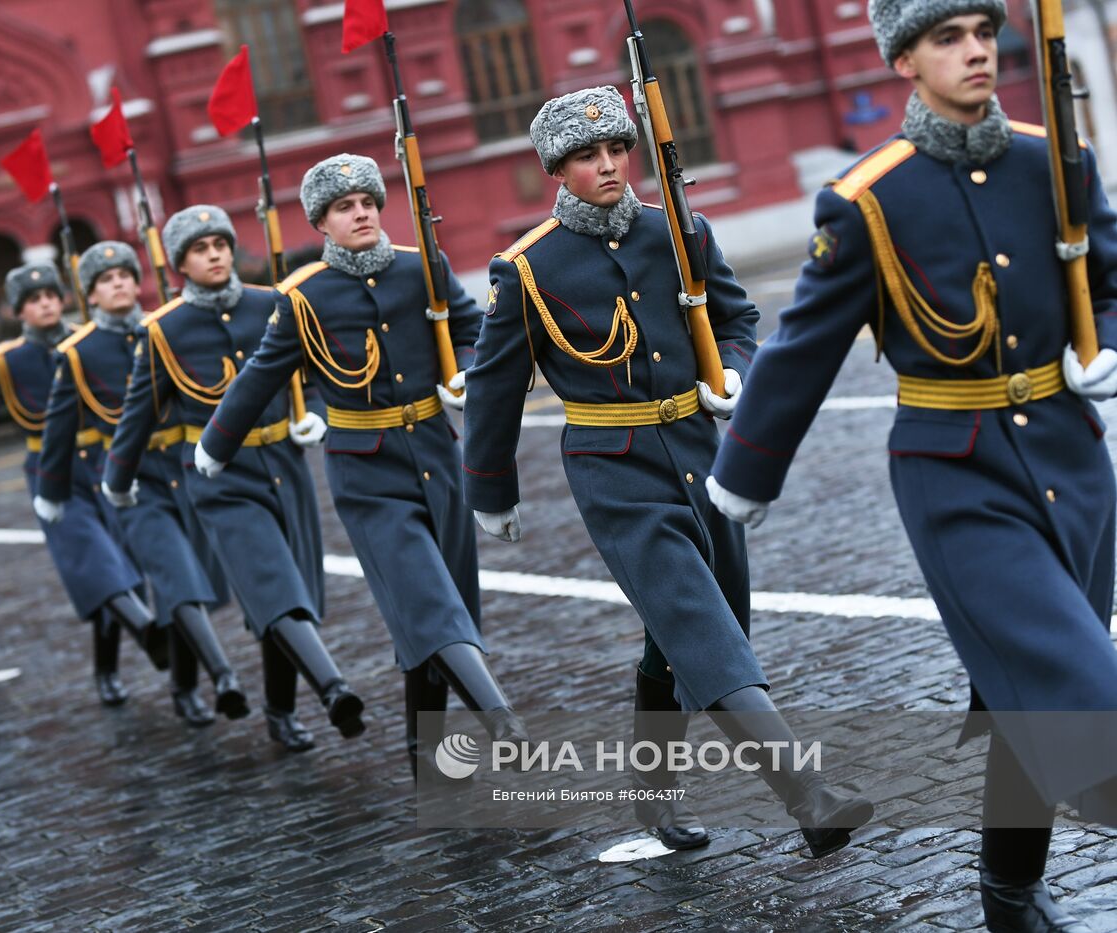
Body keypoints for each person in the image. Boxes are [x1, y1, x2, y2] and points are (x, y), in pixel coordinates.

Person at [708, 1, 1117, 927]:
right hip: (958, 477)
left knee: (1029, 692)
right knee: (1082, 687)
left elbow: (1110, 275)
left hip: (1073, 466)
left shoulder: (1051, 157)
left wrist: (1108, 342)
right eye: (947, 38)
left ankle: (1009, 889)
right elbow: (805, 343)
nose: (975, 52)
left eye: (982, 31)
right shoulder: (867, 197)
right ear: (903, 61)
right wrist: (747, 469)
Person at [463, 86, 873, 857]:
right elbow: (493, 383)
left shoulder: (679, 231)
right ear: (558, 168)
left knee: (688, 631)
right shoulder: (527, 268)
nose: (609, 165)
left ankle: (651, 797)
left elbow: (737, 318)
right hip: (613, 471)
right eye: (587, 156)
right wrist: (490, 488)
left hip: (697, 449)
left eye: (617, 149)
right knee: (708, 633)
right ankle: (808, 797)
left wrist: (738, 374)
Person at [195, 154, 523, 779]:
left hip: (435, 454)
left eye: (369, 202)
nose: (362, 213)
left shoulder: (421, 267)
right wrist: (216, 442)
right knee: (425, 595)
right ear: (322, 222)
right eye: (346, 207)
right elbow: (263, 374)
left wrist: (467, 372)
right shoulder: (303, 296)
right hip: (365, 472)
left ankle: (421, 744)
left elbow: (476, 326)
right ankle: (498, 715)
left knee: (441, 601)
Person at [103, 205, 365, 752]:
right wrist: (118, 478)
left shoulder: (272, 303)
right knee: (274, 583)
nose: (215, 254)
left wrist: (313, 408)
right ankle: (332, 687)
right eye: (199, 249)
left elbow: (310, 367)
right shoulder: (163, 330)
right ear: (180, 264)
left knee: (288, 591)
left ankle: (279, 710)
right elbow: (138, 412)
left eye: (220, 243)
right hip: (219, 479)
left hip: (284, 467)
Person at [0, 263, 161, 708]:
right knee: (97, 563)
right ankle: (153, 637)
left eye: (50, 295)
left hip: (106, 463)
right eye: (33, 299)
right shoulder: (8, 362)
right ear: (18, 310)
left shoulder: (89, 339)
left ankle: (106, 669)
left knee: (122, 568)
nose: (44, 303)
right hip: (52, 475)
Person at [35, 240, 245, 723]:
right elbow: (59, 430)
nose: (119, 285)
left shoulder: (165, 327)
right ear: (90, 294)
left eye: (125, 276)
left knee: (188, 580)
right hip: (130, 482)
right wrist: (50, 491)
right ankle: (223, 675)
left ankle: (183, 685)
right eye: (106, 281)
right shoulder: (78, 352)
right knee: (178, 576)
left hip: (184, 468)